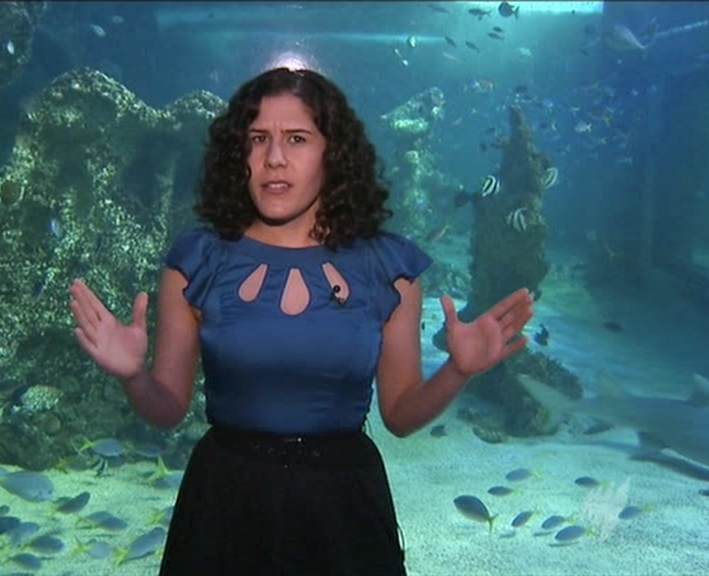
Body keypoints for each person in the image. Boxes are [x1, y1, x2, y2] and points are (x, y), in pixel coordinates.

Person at [69, 67, 534, 576]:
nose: (274, 158)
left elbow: (400, 415)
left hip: (344, 511)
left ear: (333, 153)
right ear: (238, 154)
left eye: (296, 138)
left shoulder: (387, 268)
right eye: (257, 139)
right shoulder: (197, 262)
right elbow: (167, 410)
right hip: (223, 507)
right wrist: (134, 376)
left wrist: (457, 371)